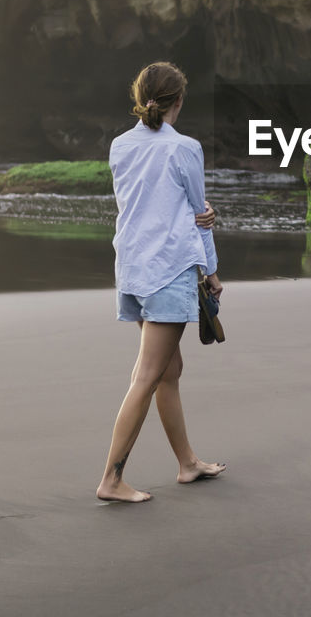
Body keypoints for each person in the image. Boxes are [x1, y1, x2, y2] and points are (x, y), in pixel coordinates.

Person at [96, 61, 226, 503]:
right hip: (168, 270)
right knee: (148, 375)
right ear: (179, 101)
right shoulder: (185, 148)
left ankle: (187, 463)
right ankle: (111, 479)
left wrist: (196, 215)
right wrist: (211, 272)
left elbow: (147, 204)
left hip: (131, 269)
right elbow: (199, 216)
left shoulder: (119, 146)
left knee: (169, 369)